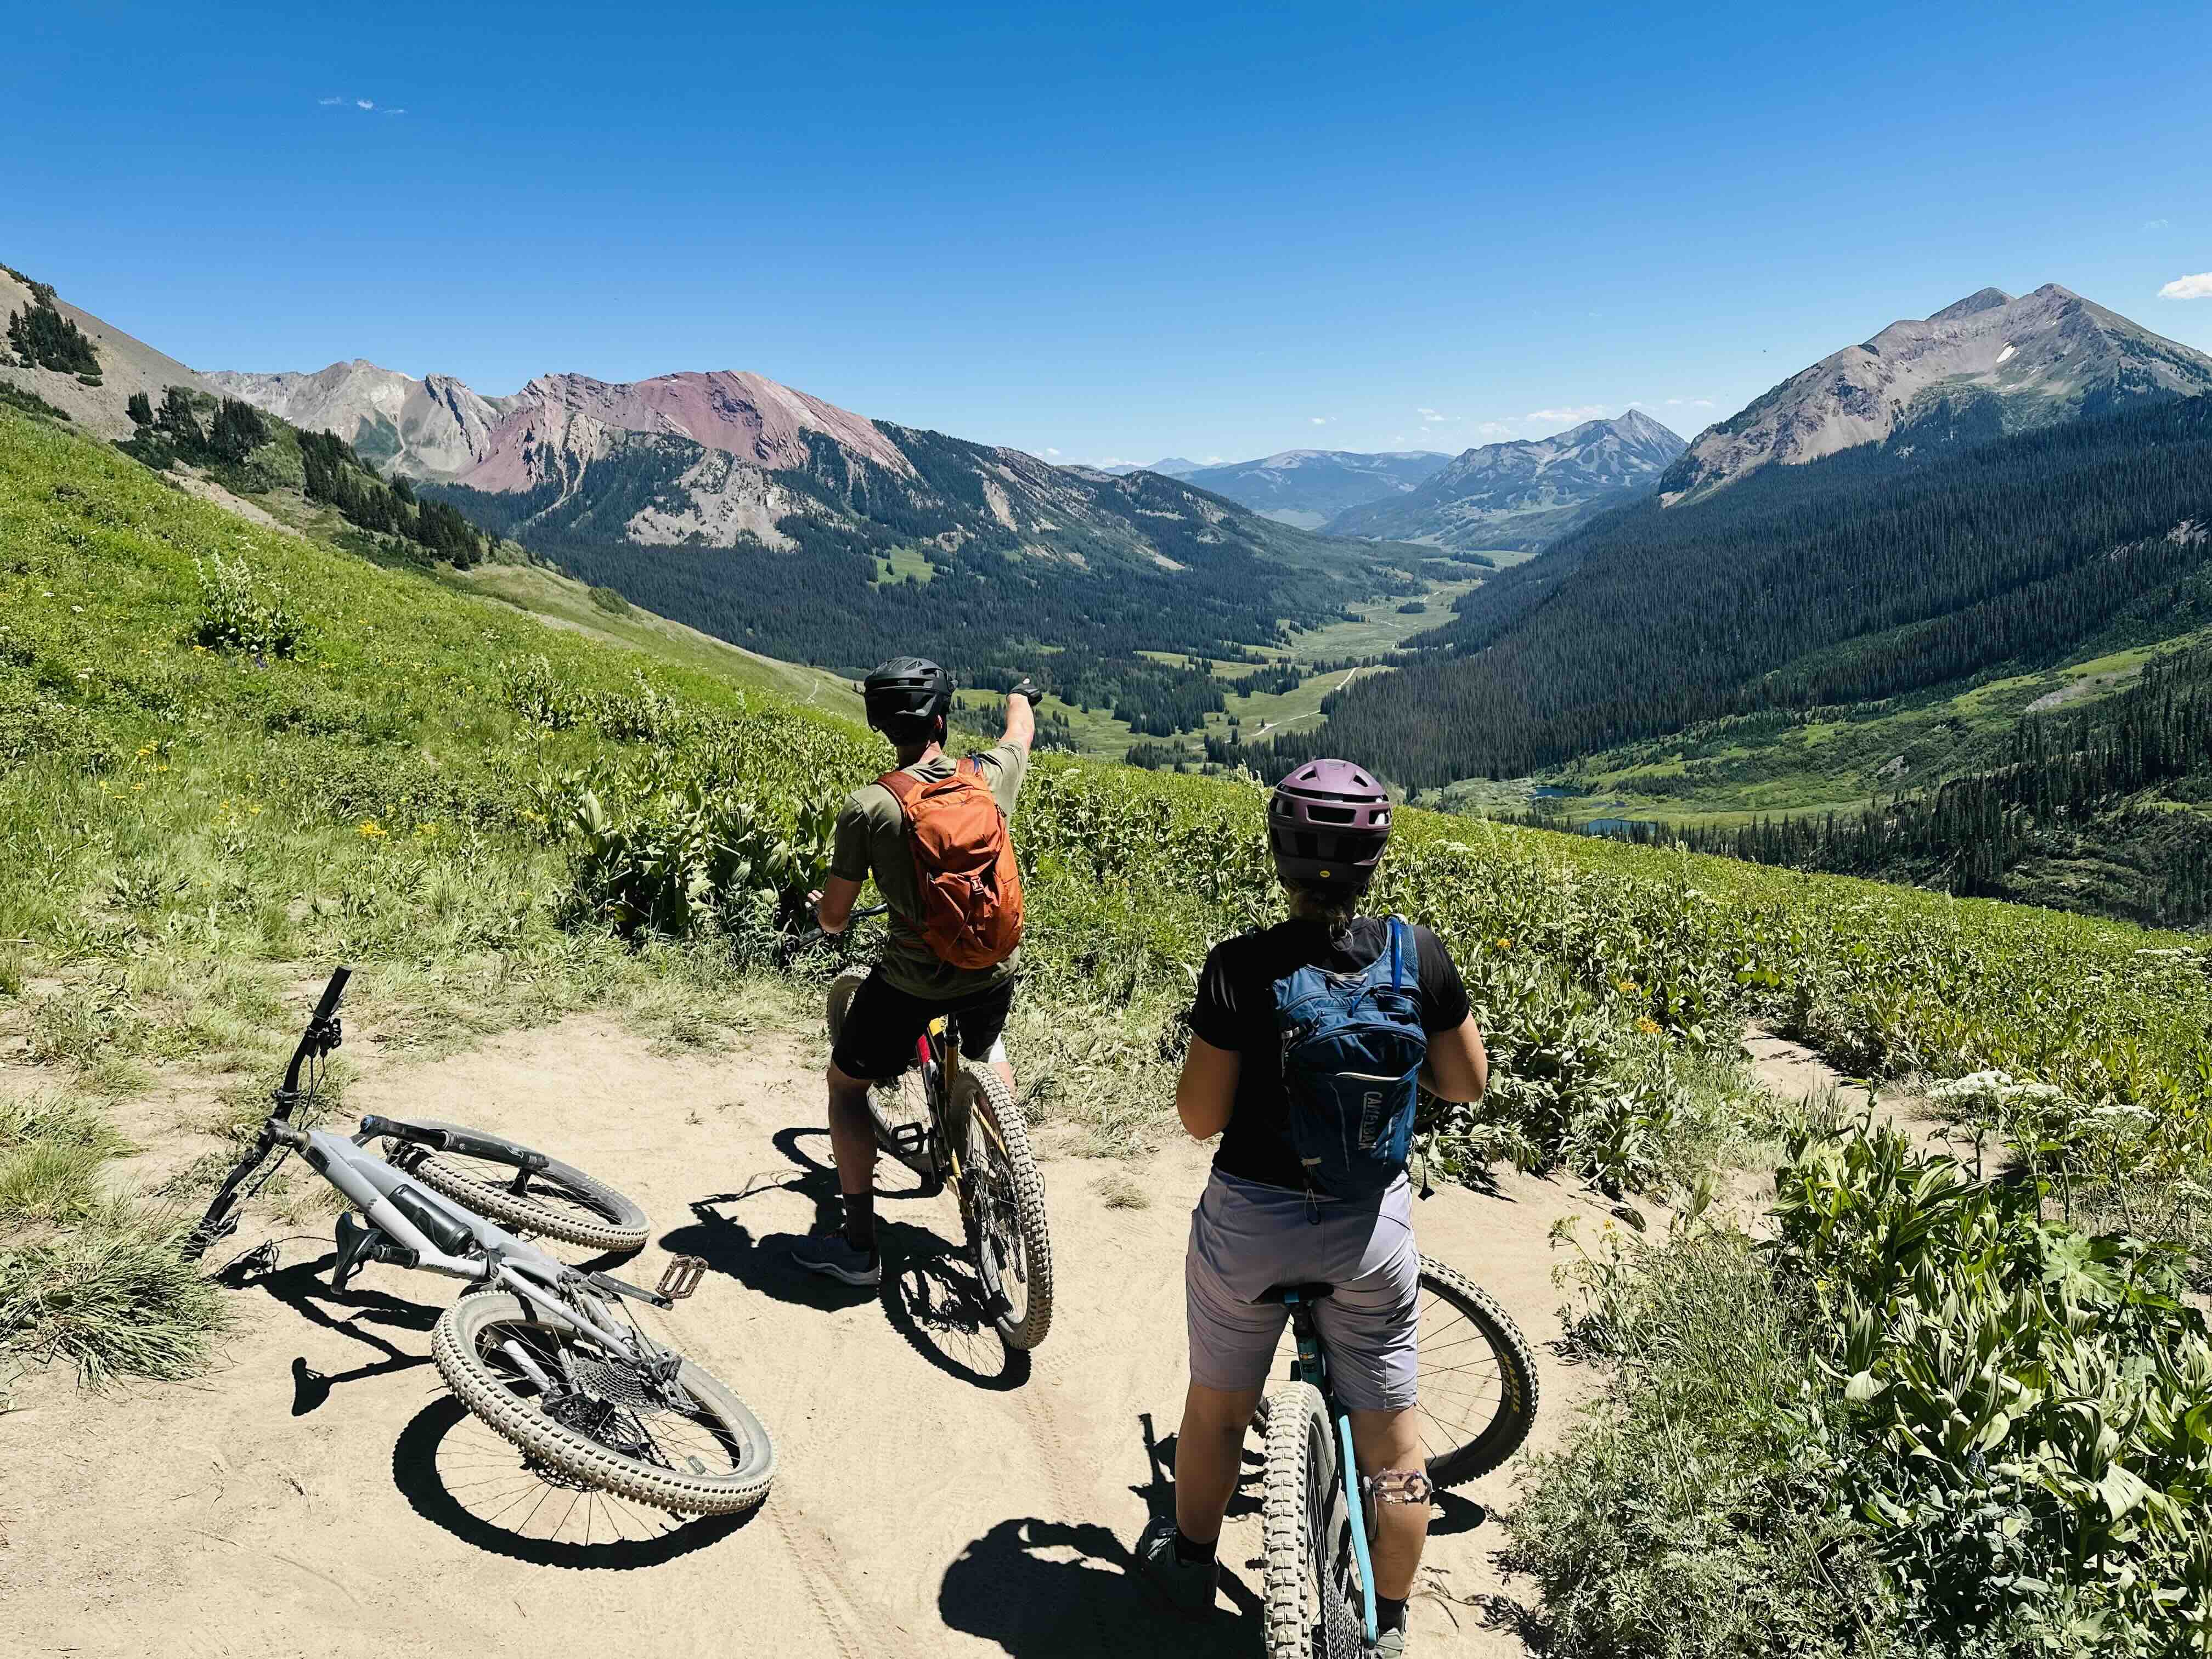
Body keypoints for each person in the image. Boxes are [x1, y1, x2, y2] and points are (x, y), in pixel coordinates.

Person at [1139, 759, 1489, 1655]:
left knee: (1217, 1410)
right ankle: (1392, 1618)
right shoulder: (1422, 956)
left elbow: (1198, 1116)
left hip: (1250, 1226)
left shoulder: (1239, 967)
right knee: (1395, 1447)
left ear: (1277, 857)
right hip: (1367, 1229)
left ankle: (1188, 1561)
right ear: (1375, 858)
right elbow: (1466, 1082)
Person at [795, 657, 1042, 1288]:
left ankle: (858, 1250)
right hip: (994, 969)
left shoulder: (870, 807)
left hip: (911, 982)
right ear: (942, 719)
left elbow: (834, 916)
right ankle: (1008, 1163)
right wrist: (1019, 692)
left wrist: (824, 919)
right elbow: (1020, 733)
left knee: (846, 1087)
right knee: (986, 1045)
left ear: (883, 726)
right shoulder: (988, 777)